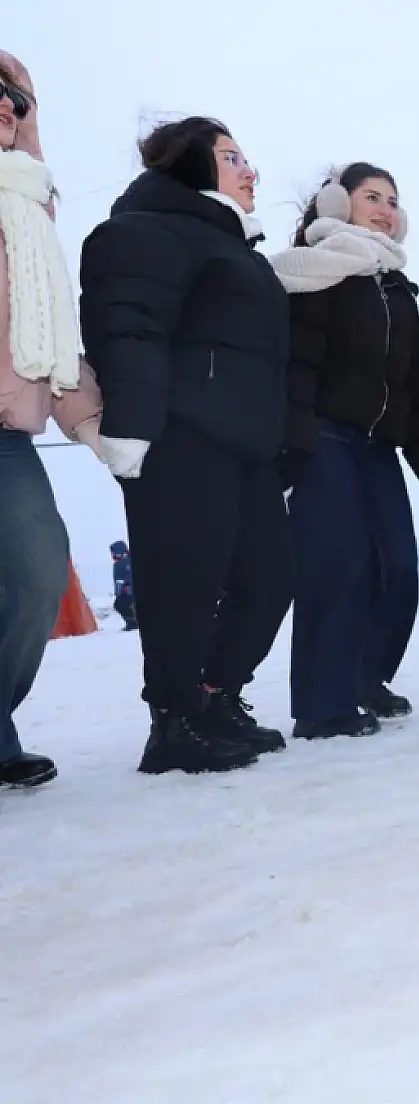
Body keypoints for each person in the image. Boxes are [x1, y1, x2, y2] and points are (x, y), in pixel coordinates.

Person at [81, 116, 293, 773]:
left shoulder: (235, 247)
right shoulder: (145, 230)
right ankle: (172, 722)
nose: (249, 169)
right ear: (188, 166)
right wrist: (134, 431)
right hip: (180, 435)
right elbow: (128, 326)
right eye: (231, 156)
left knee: (271, 576)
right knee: (184, 583)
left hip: (246, 441)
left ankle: (214, 695)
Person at [271, 163, 419, 740]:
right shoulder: (319, 271)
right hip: (323, 436)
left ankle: (364, 677)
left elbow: (410, 380)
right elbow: (298, 363)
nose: (385, 208)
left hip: (376, 444)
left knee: (399, 569)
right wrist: (294, 440)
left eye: (393, 198)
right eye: (372, 197)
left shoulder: (393, 282)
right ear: (339, 203)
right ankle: (322, 704)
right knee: (339, 568)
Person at [0, 51, 103, 788]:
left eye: (13, 99)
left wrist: (94, 422)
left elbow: (52, 325)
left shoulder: (26, 202)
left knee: (39, 572)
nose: (5, 106)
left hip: (8, 432)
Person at [110, 541, 137, 630]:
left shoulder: (127, 562)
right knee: (119, 604)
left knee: (123, 604)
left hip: (129, 591)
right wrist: (118, 592)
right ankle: (131, 622)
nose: (113, 555)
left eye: (115, 553)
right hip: (123, 591)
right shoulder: (118, 564)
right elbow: (118, 580)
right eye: (113, 553)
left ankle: (133, 622)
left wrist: (127, 586)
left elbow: (129, 576)